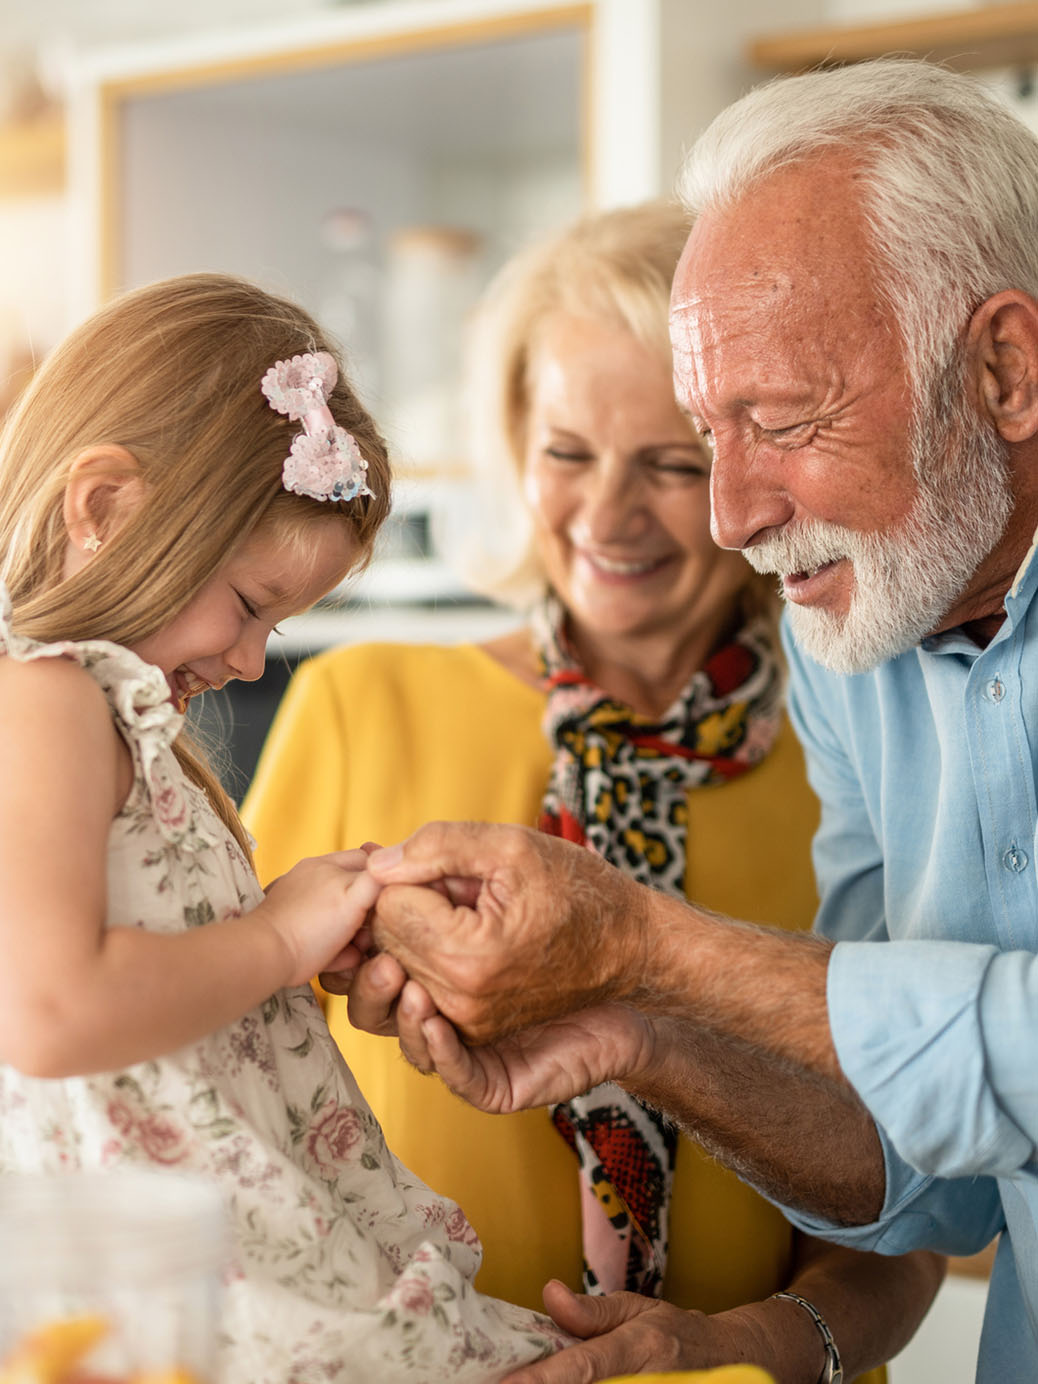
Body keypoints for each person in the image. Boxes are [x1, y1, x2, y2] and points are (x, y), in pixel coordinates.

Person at [338, 59, 1038, 1384]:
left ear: (1002, 367)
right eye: (709, 433)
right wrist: (640, 1040)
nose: (728, 515)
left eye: (777, 419)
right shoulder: (855, 655)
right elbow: (921, 1170)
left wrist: (649, 949)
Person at [244, 203, 942, 1383]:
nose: (610, 516)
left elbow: (921, 1203)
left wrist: (749, 1347)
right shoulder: (361, 706)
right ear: (515, 442)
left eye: (672, 464)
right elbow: (226, 1113)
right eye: (568, 452)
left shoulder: (863, 762)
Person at [0, 272, 573, 1384]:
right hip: (171, 1273)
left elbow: (154, 974)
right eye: (251, 604)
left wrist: (294, 932)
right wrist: (274, 941)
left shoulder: (110, 717)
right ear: (105, 508)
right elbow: (49, 1010)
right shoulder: (44, 699)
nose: (253, 661)